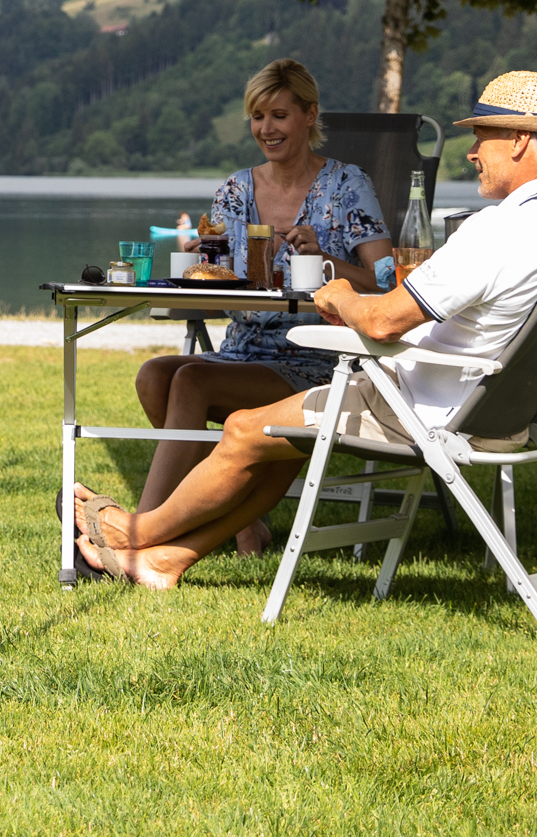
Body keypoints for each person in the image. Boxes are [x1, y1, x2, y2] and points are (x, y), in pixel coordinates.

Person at [74, 70, 537, 588]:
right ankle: (165, 561)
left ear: (519, 140)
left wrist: (339, 293)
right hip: (491, 408)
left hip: (423, 403)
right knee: (264, 433)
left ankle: (132, 532)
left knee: (248, 430)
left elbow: (385, 317)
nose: (472, 153)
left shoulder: (497, 230)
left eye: (480, 137)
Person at [124, 58, 393, 552]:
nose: (266, 128)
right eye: (257, 116)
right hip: (243, 349)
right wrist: (204, 263)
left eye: (279, 115)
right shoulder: (235, 189)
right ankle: (241, 522)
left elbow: (387, 281)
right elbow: (222, 274)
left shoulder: (346, 186)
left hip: (318, 356)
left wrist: (327, 260)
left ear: (309, 115)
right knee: (154, 375)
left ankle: (138, 535)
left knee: (192, 379)